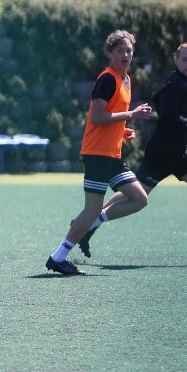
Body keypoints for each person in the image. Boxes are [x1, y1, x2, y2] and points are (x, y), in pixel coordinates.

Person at [78, 42, 187, 258]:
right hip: (163, 152)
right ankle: (90, 223)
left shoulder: (183, 84)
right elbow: (168, 116)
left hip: (182, 150)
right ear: (176, 59)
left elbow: (158, 100)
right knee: (138, 195)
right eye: (185, 59)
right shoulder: (177, 84)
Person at [45, 29, 152, 276]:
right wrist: (131, 116)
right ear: (110, 53)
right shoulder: (107, 79)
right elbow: (98, 116)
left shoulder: (126, 80)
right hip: (97, 154)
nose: (125, 54)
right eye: (120, 50)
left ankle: (88, 225)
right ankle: (58, 256)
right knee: (91, 208)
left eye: (129, 50)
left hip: (112, 155)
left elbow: (110, 117)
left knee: (139, 199)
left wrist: (123, 130)